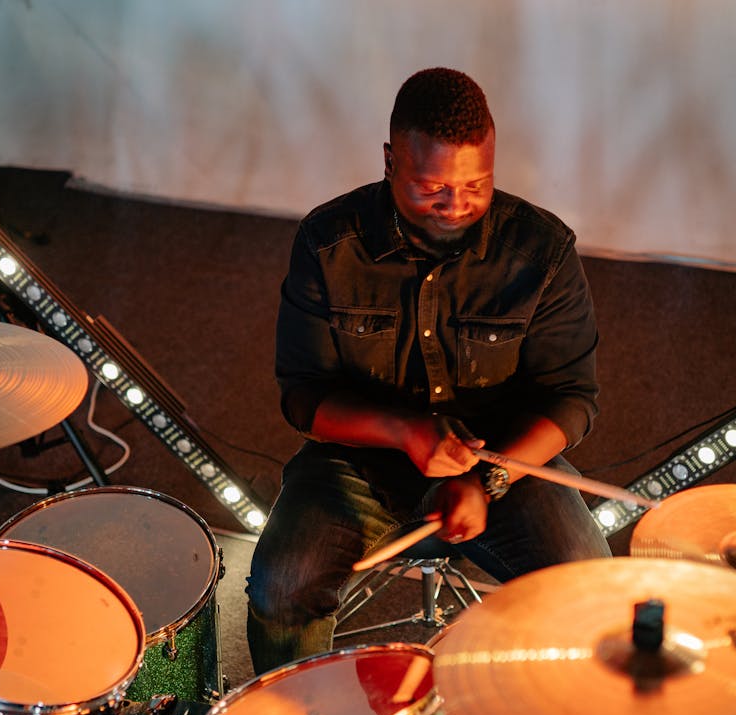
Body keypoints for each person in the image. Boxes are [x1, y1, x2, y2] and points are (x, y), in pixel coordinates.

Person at [246, 67, 610, 675]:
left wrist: (489, 478)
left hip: (505, 462)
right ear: (390, 160)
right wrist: (406, 432)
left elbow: (572, 399)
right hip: (359, 460)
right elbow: (305, 401)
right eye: (432, 187)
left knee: (589, 588)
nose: (456, 205)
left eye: (476, 185)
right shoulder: (328, 242)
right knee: (283, 589)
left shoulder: (542, 251)